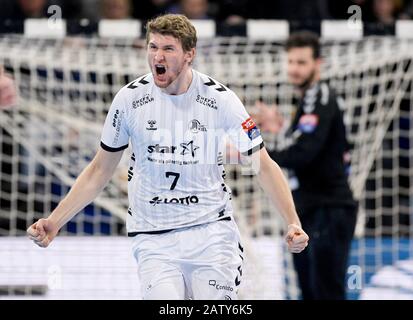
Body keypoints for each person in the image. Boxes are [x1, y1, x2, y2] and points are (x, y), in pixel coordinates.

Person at [27, 14, 309, 300]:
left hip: (211, 234)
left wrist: (292, 221)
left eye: (168, 49)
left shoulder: (221, 100)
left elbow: (264, 165)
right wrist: (55, 221)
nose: (157, 56)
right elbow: (100, 169)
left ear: (189, 54)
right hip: (154, 237)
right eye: (153, 47)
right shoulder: (129, 100)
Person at [254, 31, 357, 300]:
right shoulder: (308, 101)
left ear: (317, 64)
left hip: (328, 207)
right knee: (310, 293)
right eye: (290, 62)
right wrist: (282, 129)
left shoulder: (319, 96)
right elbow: (311, 146)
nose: (294, 69)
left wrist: (255, 153)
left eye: (301, 63)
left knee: (325, 293)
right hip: (311, 208)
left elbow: (304, 152)